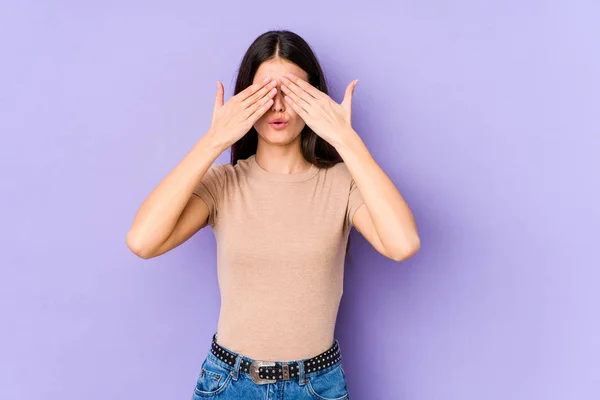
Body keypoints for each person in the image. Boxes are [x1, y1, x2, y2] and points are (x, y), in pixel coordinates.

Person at [126, 29, 420, 399]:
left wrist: (346, 140)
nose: (278, 106)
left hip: (317, 385)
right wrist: (215, 139)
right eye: (265, 93)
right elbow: (142, 241)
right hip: (229, 383)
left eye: (293, 93)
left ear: (315, 99)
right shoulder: (223, 184)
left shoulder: (342, 183)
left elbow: (403, 243)